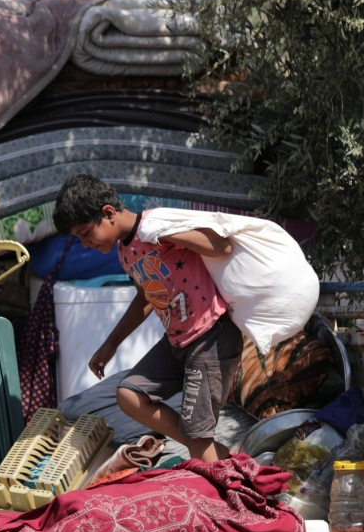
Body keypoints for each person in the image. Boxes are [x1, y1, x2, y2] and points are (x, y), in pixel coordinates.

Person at [53, 174, 244, 462]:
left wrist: (166, 233)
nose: (84, 243)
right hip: (177, 343)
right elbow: (146, 296)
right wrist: (111, 344)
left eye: (84, 233)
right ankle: (213, 453)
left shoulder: (155, 226)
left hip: (211, 336)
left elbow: (222, 247)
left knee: (198, 439)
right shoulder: (124, 251)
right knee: (130, 395)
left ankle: (231, 488)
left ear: (108, 213)